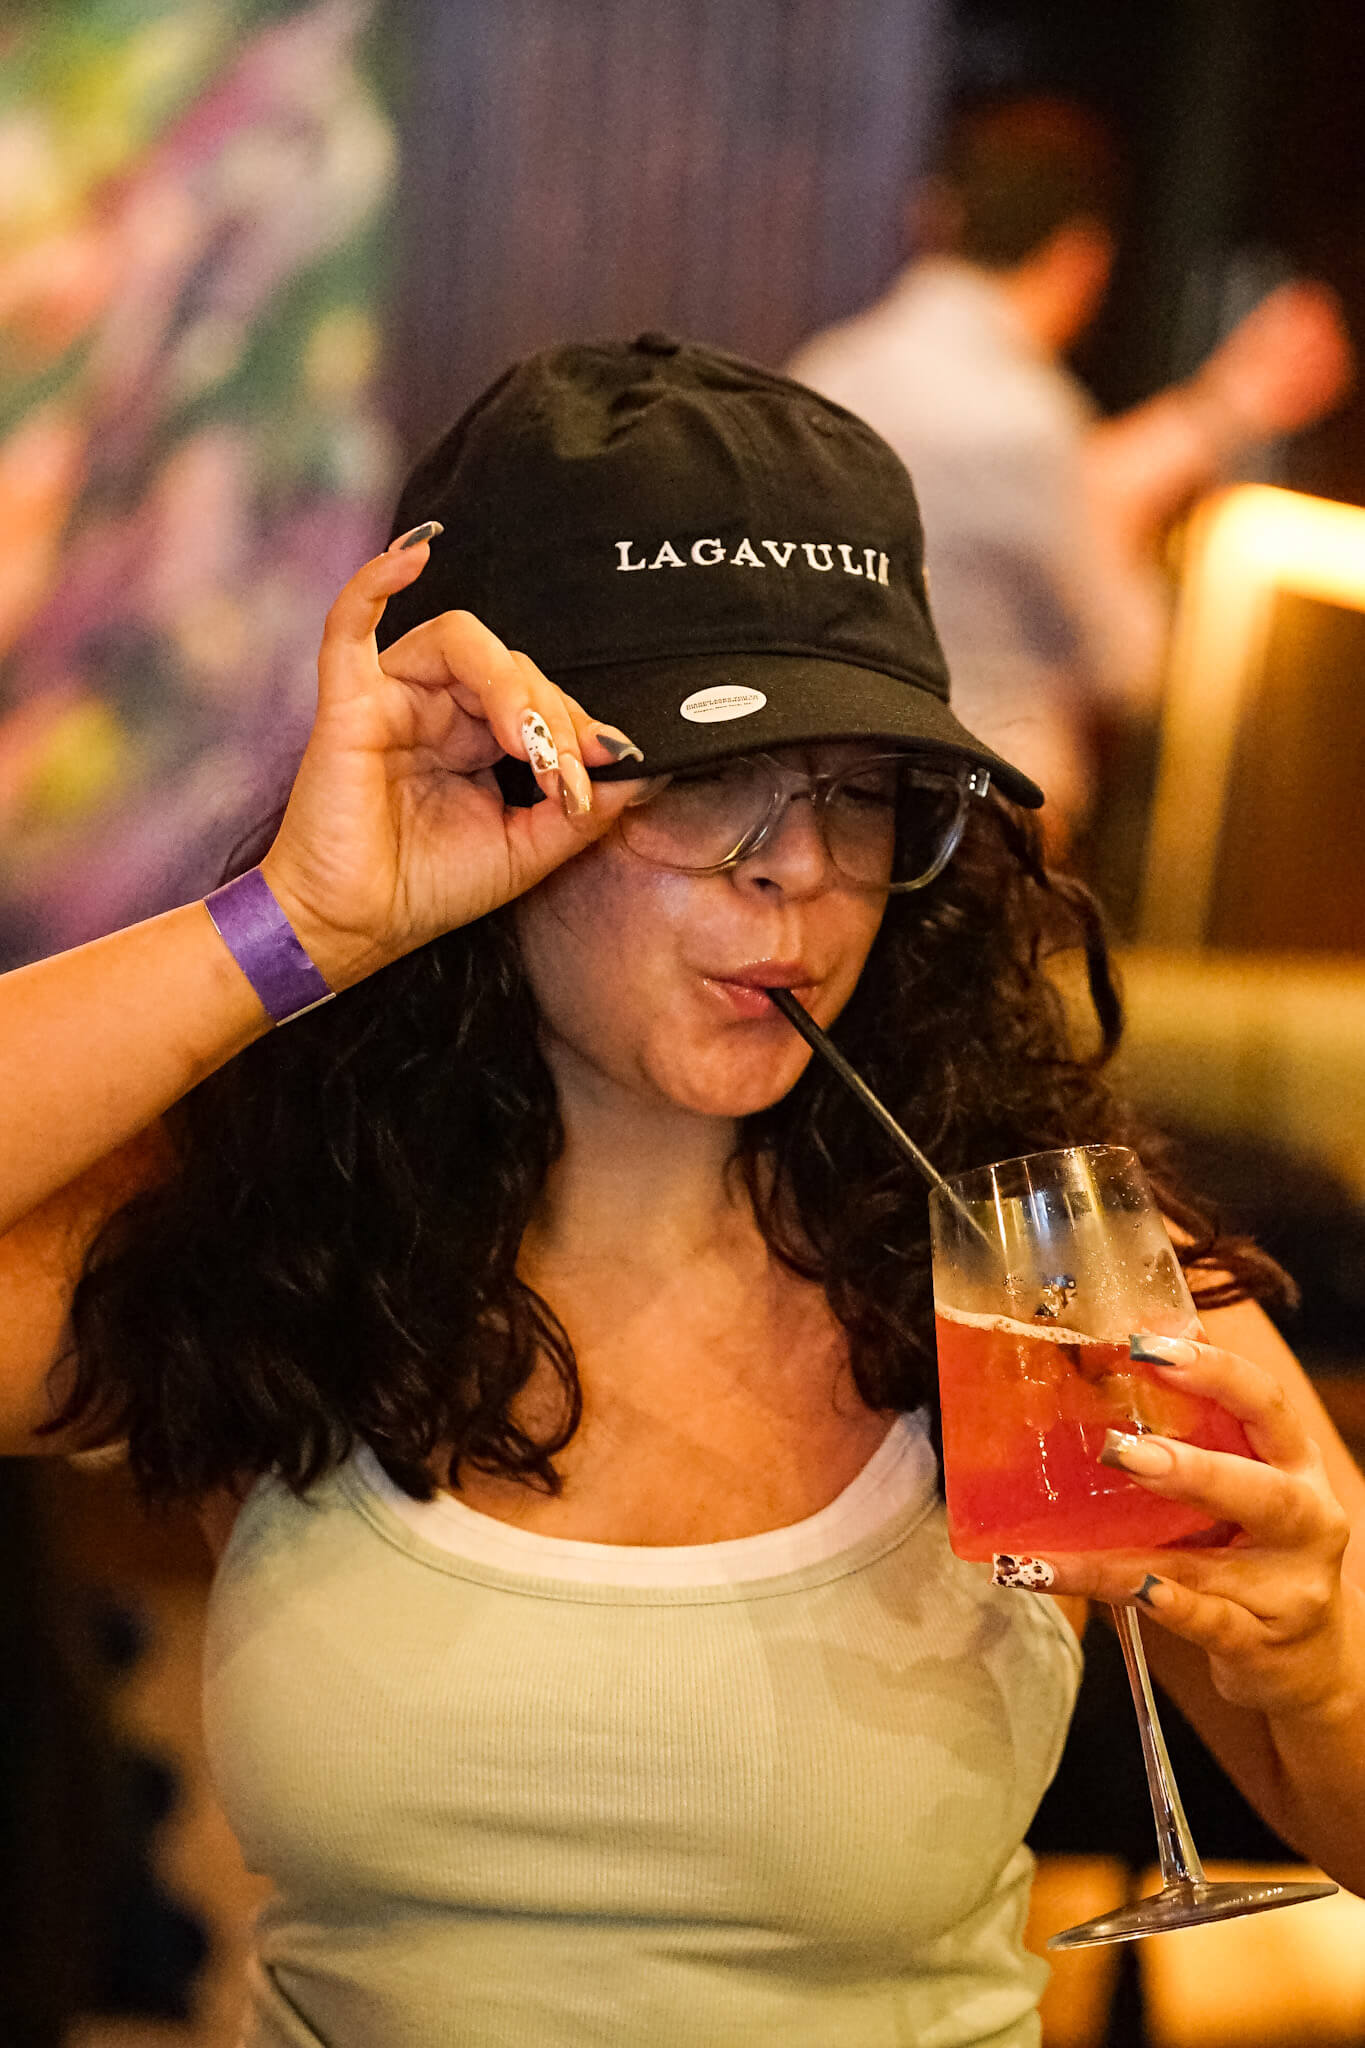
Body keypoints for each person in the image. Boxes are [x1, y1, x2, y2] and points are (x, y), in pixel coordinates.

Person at [2, 335, 1363, 2048]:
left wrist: (1318, 1672)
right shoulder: (286, 1245)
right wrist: (304, 923)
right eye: (706, 778)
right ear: (494, 773)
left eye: (859, 790)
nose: (798, 869)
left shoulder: (1042, 1287)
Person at [786, 96, 1354, 836]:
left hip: (824, 794)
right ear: (1083, 259)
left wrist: (1218, 409)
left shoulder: (824, 371)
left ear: (934, 214)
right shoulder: (1026, 418)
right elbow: (1128, 662)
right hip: (982, 821)